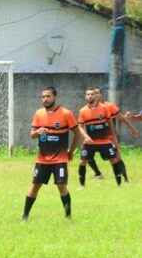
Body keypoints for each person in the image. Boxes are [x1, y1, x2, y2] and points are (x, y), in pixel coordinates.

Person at [22, 86, 83, 221]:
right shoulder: (38, 113)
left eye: (48, 96)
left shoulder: (66, 113)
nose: (45, 99)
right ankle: (25, 216)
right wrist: (37, 133)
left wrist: (71, 151)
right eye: (43, 97)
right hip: (42, 159)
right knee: (34, 186)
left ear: (55, 97)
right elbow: (32, 134)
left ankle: (68, 217)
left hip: (60, 159)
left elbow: (77, 134)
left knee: (62, 186)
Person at [86, 86, 138, 182]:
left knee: (116, 158)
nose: (93, 96)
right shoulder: (87, 108)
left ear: (101, 95)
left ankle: (125, 179)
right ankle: (98, 174)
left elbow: (122, 118)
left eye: (96, 93)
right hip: (93, 139)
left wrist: (132, 129)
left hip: (109, 138)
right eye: (92, 94)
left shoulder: (109, 106)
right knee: (86, 156)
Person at [78, 87, 123, 187]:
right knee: (82, 161)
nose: (89, 96)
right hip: (90, 142)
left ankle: (119, 184)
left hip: (105, 141)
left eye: (92, 94)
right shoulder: (82, 111)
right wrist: (86, 137)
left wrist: (113, 137)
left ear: (96, 96)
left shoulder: (104, 108)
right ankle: (81, 186)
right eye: (88, 94)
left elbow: (110, 123)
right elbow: (80, 126)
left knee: (114, 160)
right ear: (85, 96)